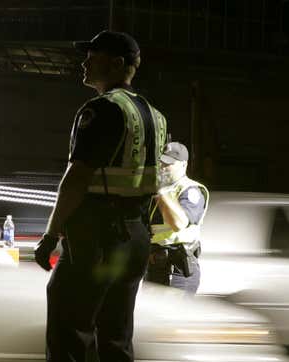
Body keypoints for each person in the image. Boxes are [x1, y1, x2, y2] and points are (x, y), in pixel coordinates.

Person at [33, 30, 167, 362]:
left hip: (98, 236)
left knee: (70, 329)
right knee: (116, 334)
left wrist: (50, 235)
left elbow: (76, 178)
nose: (85, 61)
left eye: (94, 55)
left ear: (117, 63)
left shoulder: (103, 109)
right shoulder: (154, 115)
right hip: (135, 235)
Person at [146, 142, 209, 294]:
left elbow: (179, 223)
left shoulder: (191, 190)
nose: (162, 168)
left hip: (178, 270)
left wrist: (161, 190)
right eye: (161, 163)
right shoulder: (157, 191)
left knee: (171, 315)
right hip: (155, 267)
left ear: (183, 165)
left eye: (168, 164)